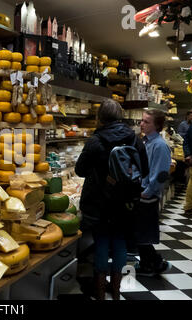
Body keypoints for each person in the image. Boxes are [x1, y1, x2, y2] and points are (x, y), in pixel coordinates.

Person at [75, 99, 149, 300]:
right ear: (120, 116)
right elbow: (145, 170)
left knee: (100, 243)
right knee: (119, 243)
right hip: (126, 202)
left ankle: (99, 291)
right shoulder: (135, 140)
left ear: (100, 118)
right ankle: (115, 291)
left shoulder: (95, 140)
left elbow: (79, 170)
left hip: (99, 202)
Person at [134, 109, 172, 276]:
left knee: (142, 233)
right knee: (140, 232)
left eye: (146, 122)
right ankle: (149, 264)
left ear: (157, 126)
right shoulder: (146, 141)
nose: (142, 124)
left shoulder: (160, 145)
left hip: (147, 194)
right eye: (142, 121)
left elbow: (160, 174)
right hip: (141, 191)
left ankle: (155, 263)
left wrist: (147, 192)